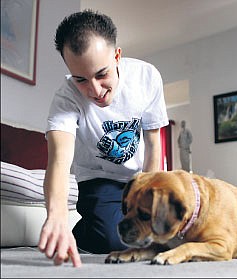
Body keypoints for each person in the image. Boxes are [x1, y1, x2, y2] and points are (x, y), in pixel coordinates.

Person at [37, 9, 169, 267]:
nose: (95, 91)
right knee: (116, 240)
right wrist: (57, 217)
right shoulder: (66, 99)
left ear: (117, 56)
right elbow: (59, 162)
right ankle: (82, 231)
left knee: (171, 231)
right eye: (81, 79)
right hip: (99, 179)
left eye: (101, 74)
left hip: (141, 177)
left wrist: (147, 196)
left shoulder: (146, 77)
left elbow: (154, 144)